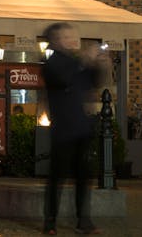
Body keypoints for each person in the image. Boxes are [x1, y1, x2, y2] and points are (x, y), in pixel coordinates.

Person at [41, 22, 108, 235]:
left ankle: (83, 221)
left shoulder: (77, 63)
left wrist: (102, 64)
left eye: (73, 35)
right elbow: (64, 78)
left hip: (81, 126)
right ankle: (50, 222)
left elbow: (96, 83)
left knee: (83, 175)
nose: (72, 39)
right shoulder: (52, 63)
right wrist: (85, 62)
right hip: (63, 128)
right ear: (56, 40)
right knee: (57, 177)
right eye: (67, 36)